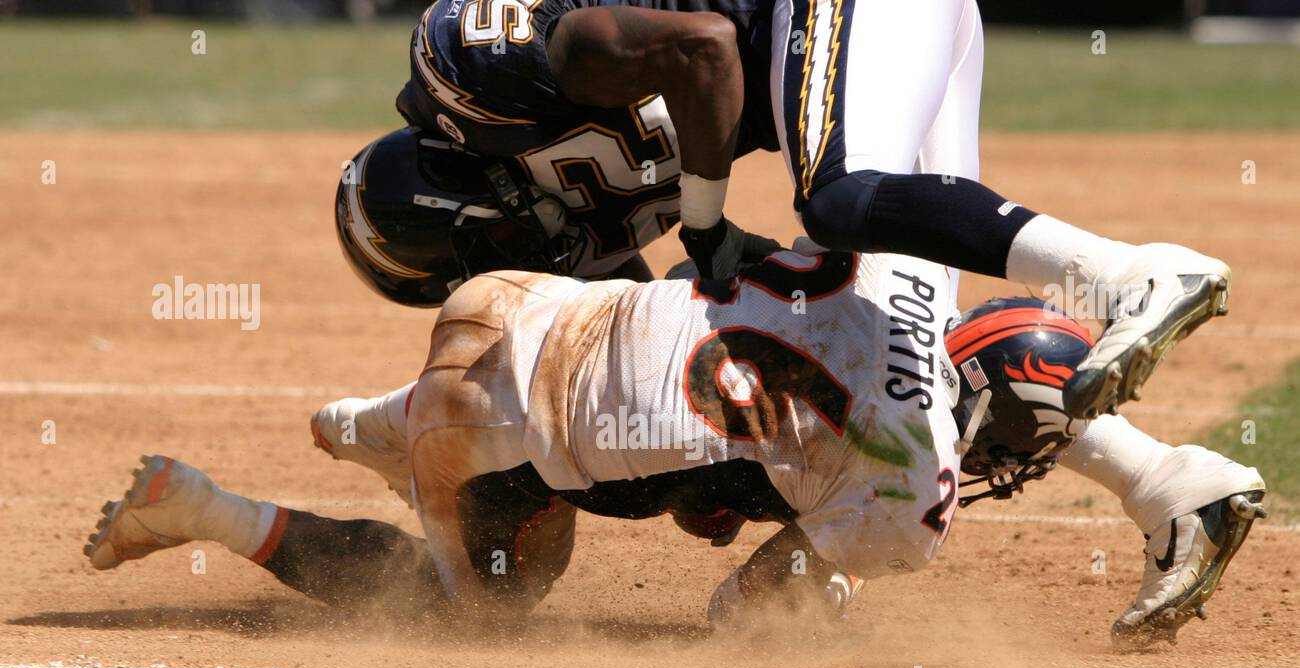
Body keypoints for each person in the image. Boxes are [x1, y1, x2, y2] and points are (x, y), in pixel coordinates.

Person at [84, 251, 1266, 647]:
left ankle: (358, 425)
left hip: (519, 301)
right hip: (497, 431)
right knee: (487, 603)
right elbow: (741, 609)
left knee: (567, 431)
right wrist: (816, 595)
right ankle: (207, 511)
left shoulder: (905, 267)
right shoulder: (914, 492)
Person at [392, 0, 1233, 421]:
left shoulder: (526, 53)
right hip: (891, 25)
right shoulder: (531, 123)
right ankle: (1165, 489)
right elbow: (629, 327)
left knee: (842, 197)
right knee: (913, 330)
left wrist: (708, 225)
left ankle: (1133, 271)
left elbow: (709, 50)